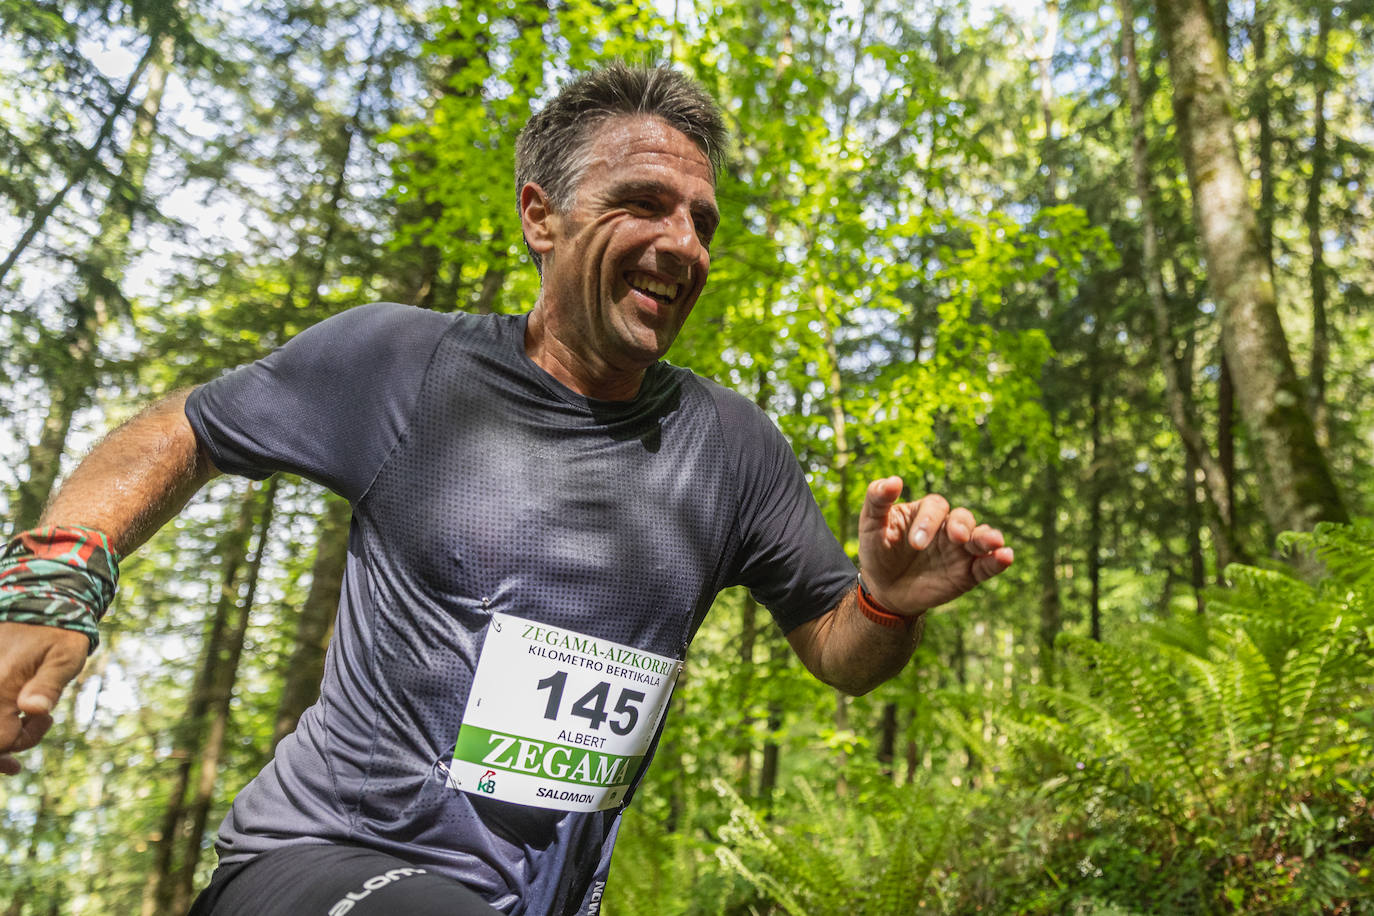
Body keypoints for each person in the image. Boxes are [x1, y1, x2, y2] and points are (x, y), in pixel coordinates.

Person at [0, 63, 1013, 915]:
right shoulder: (402, 364)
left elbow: (844, 656)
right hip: (316, 861)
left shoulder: (731, 446)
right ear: (542, 216)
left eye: (701, 220)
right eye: (644, 205)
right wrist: (56, 578)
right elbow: (185, 427)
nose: (684, 246)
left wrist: (885, 599)